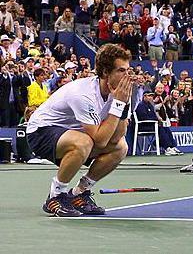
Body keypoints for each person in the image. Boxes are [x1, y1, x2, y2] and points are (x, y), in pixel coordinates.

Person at [25, 44, 134, 217]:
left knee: (121, 147)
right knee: (84, 142)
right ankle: (56, 195)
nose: (127, 76)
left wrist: (124, 104)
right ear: (106, 72)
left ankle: (79, 194)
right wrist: (119, 104)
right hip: (40, 132)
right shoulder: (83, 94)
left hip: (71, 133)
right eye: (121, 71)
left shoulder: (119, 93)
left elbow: (115, 138)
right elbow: (100, 140)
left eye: (128, 70)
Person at [134, 90, 183, 155]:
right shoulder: (141, 105)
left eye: (152, 96)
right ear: (144, 96)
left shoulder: (150, 105)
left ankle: (172, 147)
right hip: (144, 126)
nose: (151, 97)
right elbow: (143, 118)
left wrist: (158, 121)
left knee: (166, 128)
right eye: (149, 96)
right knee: (161, 129)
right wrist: (156, 121)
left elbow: (154, 116)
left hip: (152, 125)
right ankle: (167, 148)